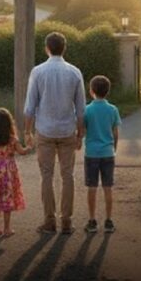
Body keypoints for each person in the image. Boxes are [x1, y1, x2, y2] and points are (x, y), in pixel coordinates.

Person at [24, 32, 86, 235]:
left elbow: (30, 106)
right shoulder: (75, 72)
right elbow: (80, 108)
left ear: (47, 48)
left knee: (47, 176)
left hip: (45, 130)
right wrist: (80, 134)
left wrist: (27, 131)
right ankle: (66, 221)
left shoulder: (38, 71)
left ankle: (49, 221)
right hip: (68, 130)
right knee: (68, 175)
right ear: (64, 48)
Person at [0, 108, 30, 237]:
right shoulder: (12, 139)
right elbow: (22, 152)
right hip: (9, 172)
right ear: (9, 124)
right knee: (7, 199)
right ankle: (7, 228)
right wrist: (30, 146)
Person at [82, 75, 121, 234]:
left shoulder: (87, 110)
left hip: (91, 153)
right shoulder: (112, 109)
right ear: (107, 91)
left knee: (92, 188)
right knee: (108, 188)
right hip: (107, 153)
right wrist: (114, 148)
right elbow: (115, 132)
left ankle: (92, 221)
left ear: (91, 91)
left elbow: (83, 130)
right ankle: (109, 220)